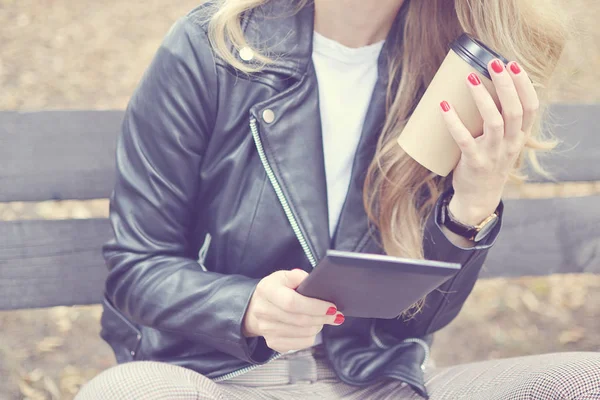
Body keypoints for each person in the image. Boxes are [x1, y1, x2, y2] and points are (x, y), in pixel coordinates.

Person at [77, 0, 600, 399]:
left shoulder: (450, 70)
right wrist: (246, 308)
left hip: (376, 383)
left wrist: (471, 208)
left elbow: (413, 321)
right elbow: (135, 268)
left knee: (584, 380)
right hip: (216, 379)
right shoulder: (210, 49)